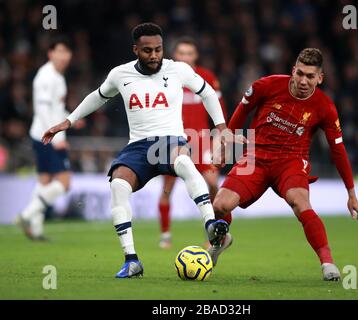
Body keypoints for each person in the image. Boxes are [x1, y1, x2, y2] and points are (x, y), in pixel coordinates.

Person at [42, 23, 244, 278]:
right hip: (137, 146)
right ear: (135, 49)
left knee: (183, 163)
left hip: (169, 142)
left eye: (158, 49)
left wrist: (222, 128)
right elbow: (97, 96)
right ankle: (132, 260)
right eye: (147, 50)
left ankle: (210, 225)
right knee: (118, 184)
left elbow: (208, 94)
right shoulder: (120, 74)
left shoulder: (178, 70)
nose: (154, 55)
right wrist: (68, 121)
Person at [209, 48, 358, 281]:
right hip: (256, 158)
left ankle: (328, 263)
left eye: (310, 76)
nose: (303, 81)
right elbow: (242, 111)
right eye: (299, 74)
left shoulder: (325, 107)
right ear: (293, 70)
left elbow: (338, 150)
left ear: (320, 78)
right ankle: (222, 240)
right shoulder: (266, 86)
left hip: (291, 162)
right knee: (220, 205)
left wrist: (351, 193)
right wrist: (224, 146)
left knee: (301, 203)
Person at [158, 37, 230, 249]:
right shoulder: (166, 77)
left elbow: (220, 111)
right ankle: (165, 235)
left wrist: (218, 140)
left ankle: (217, 232)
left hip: (201, 142)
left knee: (213, 183)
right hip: (173, 140)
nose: (186, 57)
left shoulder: (206, 77)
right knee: (167, 188)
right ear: (175, 56)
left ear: (195, 56)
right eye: (182, 53)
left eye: (190, 53)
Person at [17, 37, 74, 240]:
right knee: (65, 182)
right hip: (47, 137)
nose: (64, 56)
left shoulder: (57, 76)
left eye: (67, 52)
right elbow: (41, 109)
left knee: (44, 180)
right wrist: (56, 137)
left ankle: (36, 229)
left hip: (43, 134)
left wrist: (70, 117)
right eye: (59, 51)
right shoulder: (46, 76)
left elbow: (53, 107)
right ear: (50, 54)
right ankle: (26, 215)